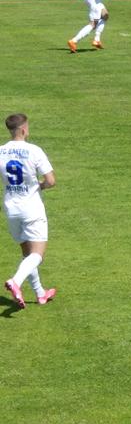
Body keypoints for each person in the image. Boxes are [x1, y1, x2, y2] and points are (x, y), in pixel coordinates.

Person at [2, 114, 57, 309]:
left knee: (27, 253)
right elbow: (50, 180)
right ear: (24, 129)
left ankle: (41, 293)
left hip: (11, 209)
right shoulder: (34, 150)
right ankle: (16, 281)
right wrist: (38, 187)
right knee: (37, 254)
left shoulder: (1, 151)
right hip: (31, 208)